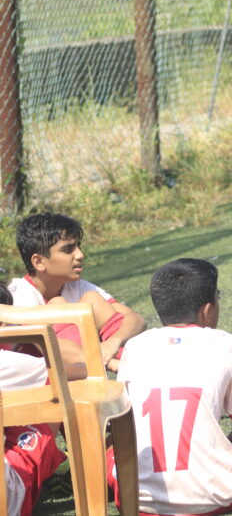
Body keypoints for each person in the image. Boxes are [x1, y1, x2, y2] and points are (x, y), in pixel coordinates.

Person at [108, 258, 232, 514]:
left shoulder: (135, 347)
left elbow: (124, 428)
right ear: (207, 310)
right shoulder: (226, 344)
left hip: (136, 502)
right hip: (213, 497)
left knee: (110, 451)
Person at [7, 212, 146, 372]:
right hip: (33, 382)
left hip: (81, 369)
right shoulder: (18, 294)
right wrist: (110, 363)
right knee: (58, 305)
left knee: (92, 300)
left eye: (78, 246)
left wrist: (113, 342)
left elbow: (136, 320)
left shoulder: (77, 286)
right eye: (68, 250)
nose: (80, 255)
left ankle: (139, 372)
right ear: (39, 262)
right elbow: (55, 348)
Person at [0, 284, 83, 516]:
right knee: (53, 388)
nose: (79, 256)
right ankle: (71, 462)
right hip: (7, 498)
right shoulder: (9, 361)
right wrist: (36, 336)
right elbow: (81, 369)